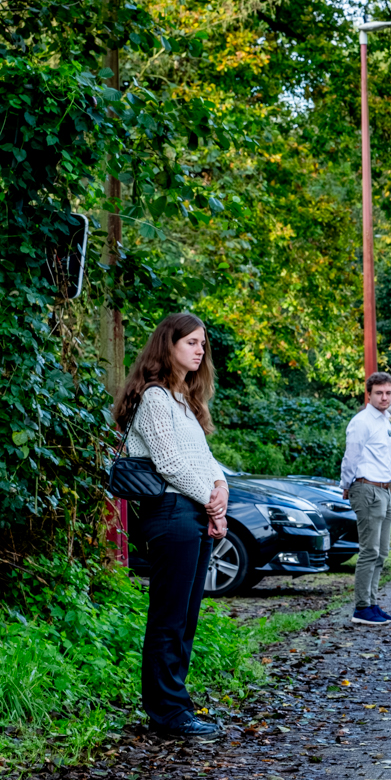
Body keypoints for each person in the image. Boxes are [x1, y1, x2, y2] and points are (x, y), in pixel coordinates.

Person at [113, 312, 229, 739]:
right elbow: (170, 464)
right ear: (169, 344)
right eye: (191, 342)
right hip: (170, 513)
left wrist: (222, 488)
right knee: (169, 617)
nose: (200, 350)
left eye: (202, 344)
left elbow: (204, 459)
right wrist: (212, 505)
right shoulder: (155, 399)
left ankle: (176, 706)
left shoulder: (183, 400)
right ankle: (167, 713)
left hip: (192, 511)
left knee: (186, 618)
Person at [340, 371, 391, 625]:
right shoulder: (362, 422)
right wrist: (346, 485)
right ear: (369, 394)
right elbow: (351, 457)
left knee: (382, 552)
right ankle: (362, 608)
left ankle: (372, 603)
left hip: (384, 489)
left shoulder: (385, 421)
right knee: (369, 550)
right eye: (379, 393)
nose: (384, 397)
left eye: (388, 393)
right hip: (367, 488)